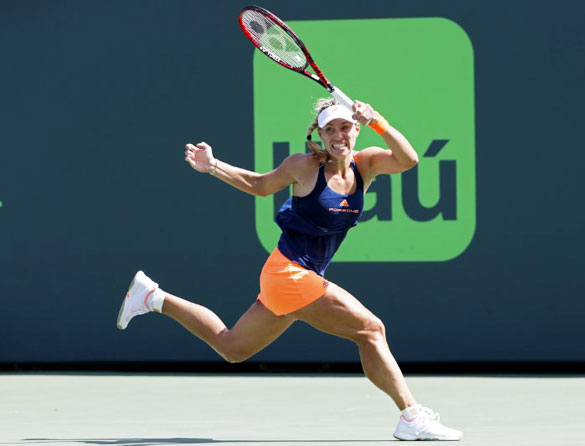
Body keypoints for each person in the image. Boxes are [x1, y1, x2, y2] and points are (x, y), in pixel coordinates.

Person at [117, 98, 463, 441]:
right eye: (330, 129)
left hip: (299, 277)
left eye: (345, 127)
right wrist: (213, 165)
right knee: (371, 330)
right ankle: (411, 416)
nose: (338, 135)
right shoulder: (304, 165)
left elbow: (409, 160)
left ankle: (152, 296)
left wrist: (378, 121)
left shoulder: (367, 163)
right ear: (320, 134)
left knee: (233, 348)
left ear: (356, 129)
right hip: (289, 273)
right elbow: (259, 185)